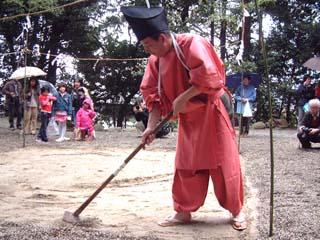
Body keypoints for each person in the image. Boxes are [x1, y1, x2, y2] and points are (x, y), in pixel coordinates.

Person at [121, 6, 246, 230]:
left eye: (149, 44)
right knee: (186, 165)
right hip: (188, 120)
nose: (148, 50)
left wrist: (184, 97)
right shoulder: (155, 61)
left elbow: (210, 77)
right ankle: (183, 211)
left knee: (223, 164)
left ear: (162, 37)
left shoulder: (191, 43)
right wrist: (151, 128)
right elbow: (153, 97)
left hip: (211, 112)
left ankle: (236, 210)